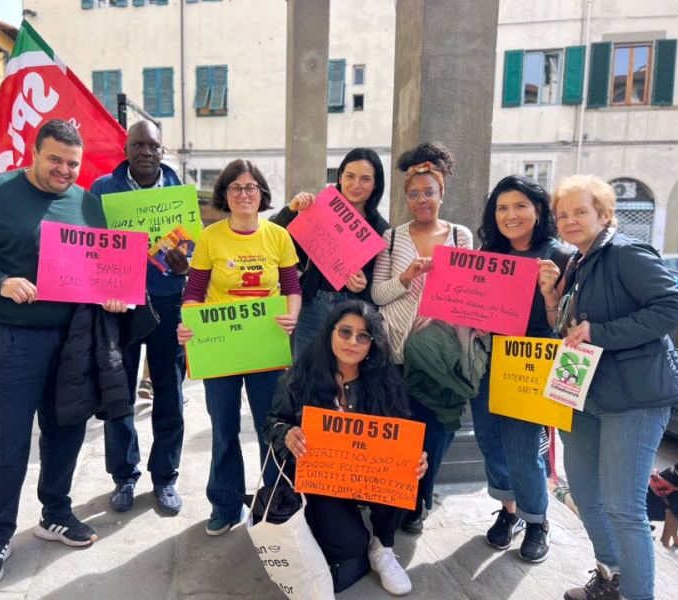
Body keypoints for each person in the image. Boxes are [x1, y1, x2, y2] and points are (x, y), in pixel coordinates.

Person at [0, 119, 128, 588]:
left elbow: (102, 266)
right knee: (7, 440)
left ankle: (56, 512)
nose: (64, 170)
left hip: (73, 339)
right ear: (34, 152)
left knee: (67, 428)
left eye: (72, 163)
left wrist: (113, 294)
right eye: (55, 159)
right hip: (8, 337)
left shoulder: (88, 203)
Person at [548, 175, 678, 600]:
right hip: (586, 393)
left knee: (624, 507)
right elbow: (570, 326)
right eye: (562, 215)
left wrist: (600, 333)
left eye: (580, 211)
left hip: (634, 399)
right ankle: (612, 577)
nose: (570, 221)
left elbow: (673, 306)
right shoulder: (578, 260)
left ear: (605, 214)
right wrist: (552, 299)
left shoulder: (626, 252)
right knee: (586, 493)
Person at [264, 300, 428, 596]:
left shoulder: (386, 382)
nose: (353, 341)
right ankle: (350, 538)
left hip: (371, 477)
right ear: (330, 333)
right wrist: (286, 434)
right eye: (345, 332)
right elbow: (272, 423)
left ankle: (382, 547)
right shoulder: (299, 378)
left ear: (372, 345)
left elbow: (402, 435)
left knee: (405, 473)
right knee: (350, 545)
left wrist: (416, 458)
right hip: (322, 481)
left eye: (363, 336)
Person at [177, 159, 302, 536]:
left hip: (266, 346)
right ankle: (225, 504)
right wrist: (189, 324)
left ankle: (275, 502)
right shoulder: (210, 237)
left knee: (272, 427)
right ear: (225, 194)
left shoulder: (278, 236)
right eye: (235, 187)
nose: (243, 194)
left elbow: (292, 287)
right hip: (222, 349)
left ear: (261, 193)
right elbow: (194, 291)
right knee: (224, 428)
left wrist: (291, 317)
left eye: (250, 187)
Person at [470, 175, 574, 562]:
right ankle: (509, 511)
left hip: (532, 361)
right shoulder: (489, 253)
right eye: (502, 208)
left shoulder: (560, 256)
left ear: (539, 210)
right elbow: (475, 304)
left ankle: (536, 520)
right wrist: (476, 319)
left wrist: (550, 293)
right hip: (489, 357)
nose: (510, 215)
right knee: (489, 439)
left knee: (523, 446)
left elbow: (564, 324)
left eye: (519, 206)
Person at [371, 142, 474, 535]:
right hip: (396, 351)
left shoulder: (461, 237)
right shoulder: (391, 238)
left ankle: (420, 500)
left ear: (441, 193)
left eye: (428, 192)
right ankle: (397, 496)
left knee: (437, 430)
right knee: (401, 428)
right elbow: (377, 295)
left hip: (441, 354)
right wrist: (407, 276)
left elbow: (472, 294)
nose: (421, 200)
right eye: (413, 194)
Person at [90, 119, 188, 515]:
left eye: (153, 146)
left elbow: (193, 252)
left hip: (168, 304)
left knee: (170, 394)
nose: (146, 152)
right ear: (126, 148)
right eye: (138, 145)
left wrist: (184, 267)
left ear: (162, 151)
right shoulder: (102, 190)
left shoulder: (179, 192)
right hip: (120, 307)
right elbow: (91, 247)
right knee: (118, 395)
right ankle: (124, 476)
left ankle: (165, 477)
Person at [271, 148, 389, 357]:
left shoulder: (381, 230)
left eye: (365, 179)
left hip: (353, 309)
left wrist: (365, 282)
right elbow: (274, 239)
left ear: (376, 184)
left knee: (343, 370)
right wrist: (291, 209)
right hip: (313, 303)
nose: (356, 184)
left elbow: (383, 283)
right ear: (340, 177)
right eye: (350, 176)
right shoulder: (317, 208)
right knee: (305, 367)